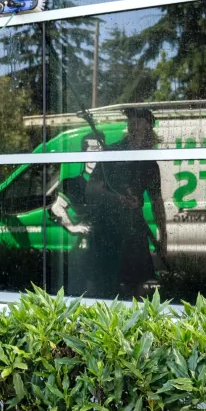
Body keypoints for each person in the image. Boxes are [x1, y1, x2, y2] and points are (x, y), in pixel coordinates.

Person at [84, 108, 167, 299]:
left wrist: (163, 238)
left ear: (149, 126)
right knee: (102, 287)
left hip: (134, 230)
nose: (133, 124)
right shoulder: (111, 153)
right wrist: (118, 199)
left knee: (135, 289)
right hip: (107, 230)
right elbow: (92, 190)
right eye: (131, 120)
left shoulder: (149, 163)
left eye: (139, 119)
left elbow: (157, 201)